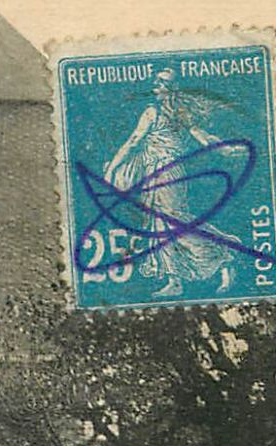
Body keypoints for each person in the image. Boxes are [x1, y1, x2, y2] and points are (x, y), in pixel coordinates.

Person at [102, 68, 240, 298]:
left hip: (168, 171)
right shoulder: (163, 111)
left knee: (175, 220)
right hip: (153, 171)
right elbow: (135, 141)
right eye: (156, 80)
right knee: (158, 223)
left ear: (172, 87)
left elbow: (134, 141)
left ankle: (224, 254)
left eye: (162, 81)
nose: (156, 84)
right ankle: (174, 280)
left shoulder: (164, 113)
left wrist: (113, 169)